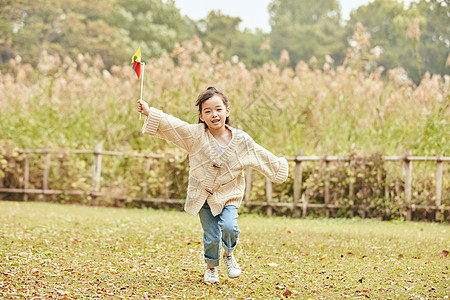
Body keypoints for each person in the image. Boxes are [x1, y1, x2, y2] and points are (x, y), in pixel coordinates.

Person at [137, 86, 289, 284]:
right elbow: (174, 126)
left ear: (227, 111)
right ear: (201, 116)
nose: (214, 114)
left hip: (229, 195)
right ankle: (211, 268)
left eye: (218, 109)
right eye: (207, 111)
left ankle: (229, 255)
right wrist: (149, 112)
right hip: (203, 196)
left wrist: (279, 168)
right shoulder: (195, 135)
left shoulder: (242, 140)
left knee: (230, 227)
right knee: (211, 237)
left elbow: (260, 155)